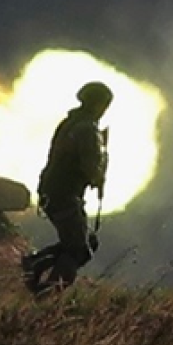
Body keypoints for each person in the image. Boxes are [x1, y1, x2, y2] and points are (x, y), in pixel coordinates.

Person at [22, 81, 113, 294]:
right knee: (79, 250)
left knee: (81, 242)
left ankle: (36, 264)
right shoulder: (87, 130)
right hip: (64, 194)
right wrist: (102, 165)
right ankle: (49, 295)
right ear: (99, 105)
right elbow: (91, 170)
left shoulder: (70, 123)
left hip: (52, 191)